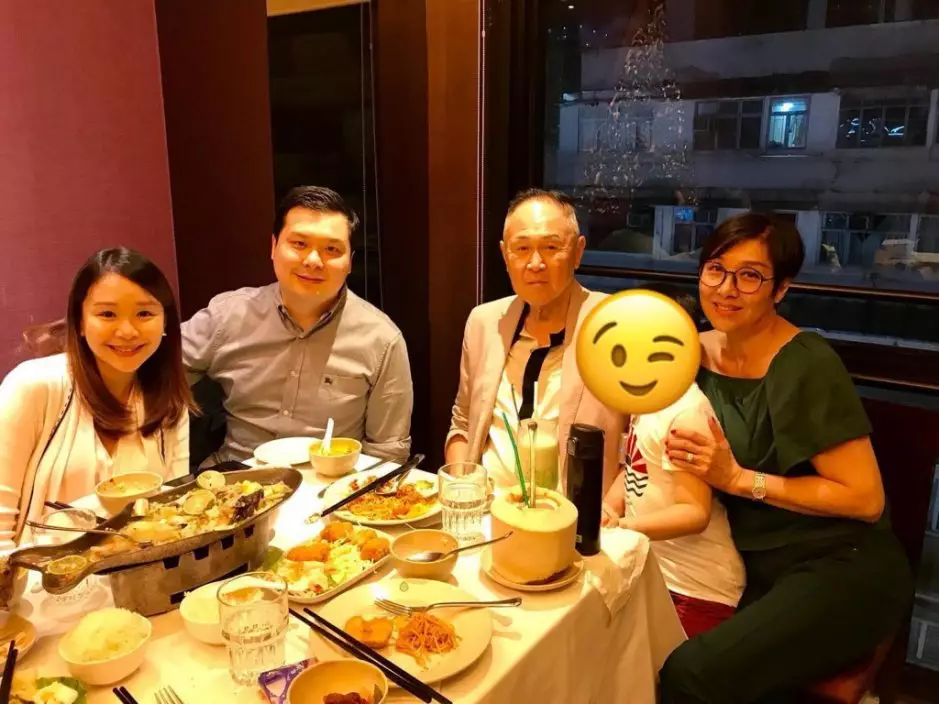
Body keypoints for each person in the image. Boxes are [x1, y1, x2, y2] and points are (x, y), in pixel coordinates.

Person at [659, 213, 912, 703]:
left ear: (781, 289)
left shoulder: (804, 363)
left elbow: (865, 500)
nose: (727, 289)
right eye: (716, 270)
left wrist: (738, 479)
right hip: (751, 562)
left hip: (840, 564)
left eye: (750, 276)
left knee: (690, 673)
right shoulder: (690, 353)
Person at [183, 186, 413, 464]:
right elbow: (158, 372)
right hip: (234, 476)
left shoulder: (381, 339)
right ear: (273, 246)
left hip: (328, 483)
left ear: (350, 262)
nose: (313, 261)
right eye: (299, 244)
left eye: (331, 249)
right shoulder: (227, 316)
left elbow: (387, 452)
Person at [0, 248, 193, 549]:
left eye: (144, 313)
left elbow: (172, 512)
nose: (127, 331)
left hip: (138, 570)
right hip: (37, 575)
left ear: (166, 321)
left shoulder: (169, 401)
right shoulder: (34, 386)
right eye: (107, 314)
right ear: (79, 321)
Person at [446, 188, 623, 492]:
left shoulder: (615, 324)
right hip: (488, 506)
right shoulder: (484, 322)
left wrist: (606, 510)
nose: (536, 263)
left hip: (575, 512)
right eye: (522, 248)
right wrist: (463, 485)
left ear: (578, 252)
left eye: (551, 247)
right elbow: (462, 423)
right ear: (505, 255)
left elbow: (641, 450)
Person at [601, 283, 744, 639]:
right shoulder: (648, 400)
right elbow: (635, 467)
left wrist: (623, 528)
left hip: (696, 588)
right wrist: (608, 507)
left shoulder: (686, 414)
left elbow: (694, 513)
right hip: (656, 571)